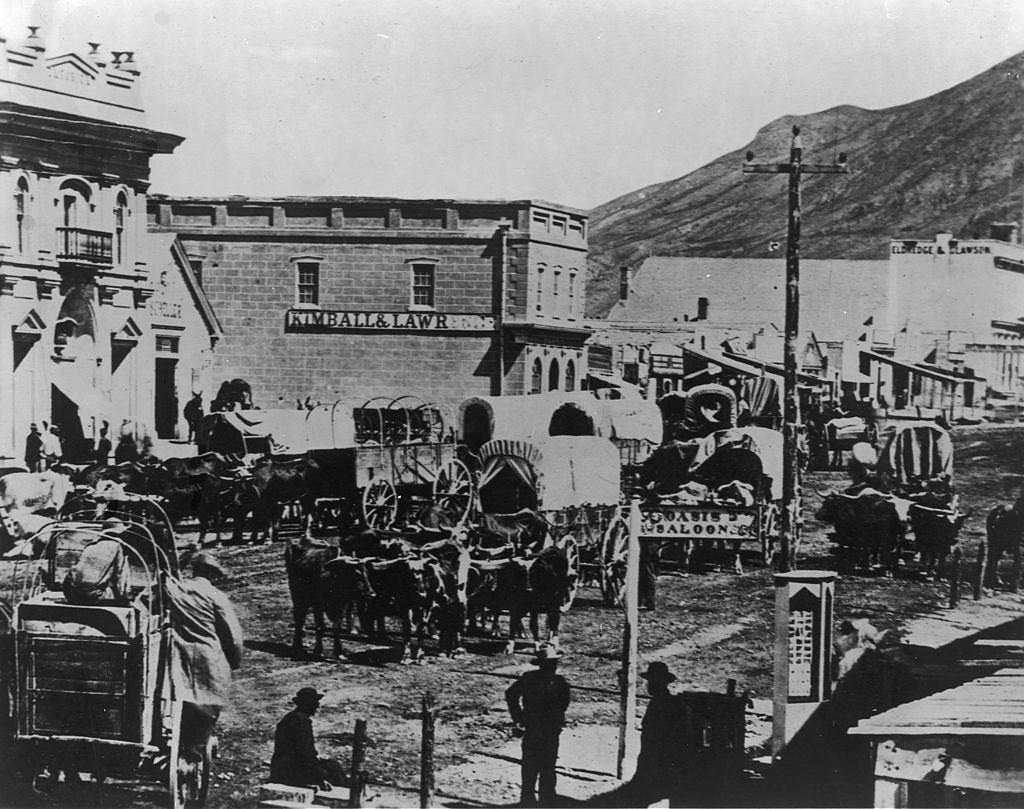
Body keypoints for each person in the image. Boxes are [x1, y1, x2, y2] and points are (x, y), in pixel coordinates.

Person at [164, 552, 244, 759]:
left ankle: (179, 739)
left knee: (179, 697)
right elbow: (233, 635)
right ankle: (195, 749)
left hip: (177, 652)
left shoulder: (177, 588)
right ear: (210, 572)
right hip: (208, 654)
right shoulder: (216, 595)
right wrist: (235, 660)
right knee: (209, 702)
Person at [505, 645, 571, 807]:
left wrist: (556, 718)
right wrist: (519, 717)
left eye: (554, 663)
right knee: (530, 764)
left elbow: (564, 703)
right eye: (549, 663)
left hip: (550, 729)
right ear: (542, 664)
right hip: (533, 726)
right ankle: (527, 799)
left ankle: (547, 799)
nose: (553, 666)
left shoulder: (560, 682)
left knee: (548, 764)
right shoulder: (529, 678)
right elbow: (511, 694)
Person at [270, 687, 348, 790]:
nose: (317, 705)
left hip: (283, 767)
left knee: (332, 765)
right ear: (307, 704)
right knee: (332, 772)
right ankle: (343, 797)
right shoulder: (301, 722)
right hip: (291, 771)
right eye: (314, 702)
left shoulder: (291, 717)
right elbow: (306, 754)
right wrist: (321, 776)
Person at [639, 538, 659, 611]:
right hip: (647, 543)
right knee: (644, 574)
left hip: (647, 544)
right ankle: (643, 602)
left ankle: (649, 603)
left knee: (647, 574)